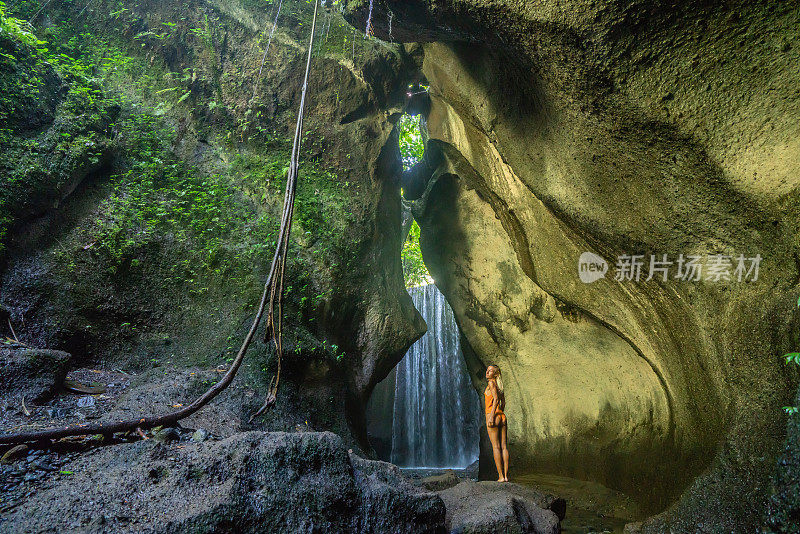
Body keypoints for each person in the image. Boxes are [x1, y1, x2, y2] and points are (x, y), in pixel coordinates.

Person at [485, 364, 509, 482]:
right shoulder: (500, 386)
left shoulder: (491, 383)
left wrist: (492, 416)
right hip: (502, 416)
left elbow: (495, 399)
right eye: (487, 370)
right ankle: (505, 476)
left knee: (496, 447)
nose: (487, 372)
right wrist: (500, 413)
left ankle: (500, 476)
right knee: (504, 446)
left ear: (495, 374)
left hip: (492, 415)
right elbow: (502, 402)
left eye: (490, 371)